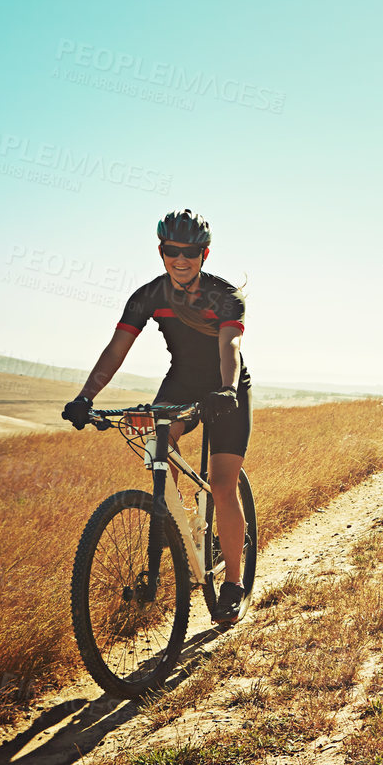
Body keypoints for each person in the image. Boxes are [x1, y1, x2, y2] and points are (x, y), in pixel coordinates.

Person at [62, 209, 252, 625]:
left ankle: (234, 584)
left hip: (225, 387)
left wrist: (226, 390)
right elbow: (117, 348)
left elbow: (230, 347)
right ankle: (179, 523)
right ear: (160, 250)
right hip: (180, 382)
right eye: (171, 251)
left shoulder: (224, 297)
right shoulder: (149, 296)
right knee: (156, 446)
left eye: (189, 252)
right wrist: (85, 396)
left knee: (222, 485)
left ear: (204, 253)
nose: (179, 260)